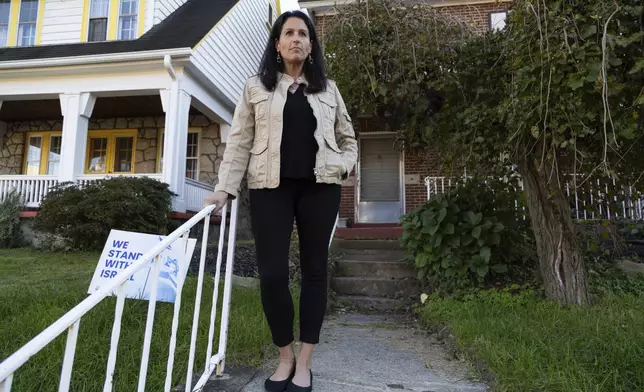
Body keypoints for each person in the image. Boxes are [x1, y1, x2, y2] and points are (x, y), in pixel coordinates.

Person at [204, 10, 358, 392]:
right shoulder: (256, 86)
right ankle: (284, 356)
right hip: (269, 187)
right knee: (271, 275)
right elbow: (239, 140)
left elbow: (350, 139)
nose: (296, 39)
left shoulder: (328, 89)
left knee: (314, 272)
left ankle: (305, 361)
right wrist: (224, 187)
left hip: (320, 188)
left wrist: (342, 164)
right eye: (289, 33)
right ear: (277, 44)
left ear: (311, 45)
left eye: (303, 34)